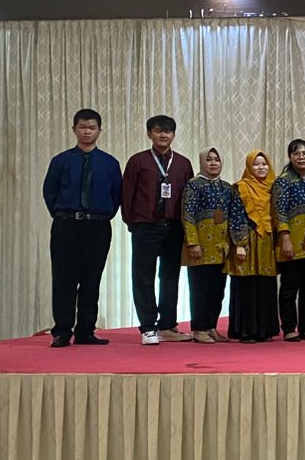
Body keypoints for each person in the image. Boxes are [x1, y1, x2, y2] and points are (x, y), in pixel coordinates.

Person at [41, 107, 122, 347]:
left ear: (99, 130)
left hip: (97, 227)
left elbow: (117, 195)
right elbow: (49, 192)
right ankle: (62, 331)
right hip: (66, 225)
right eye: (82, 127)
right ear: (74, 129)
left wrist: (102, 215)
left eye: (92, 128)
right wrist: (62, 215)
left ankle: (86, 330)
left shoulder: (109, 163)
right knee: (63, 279)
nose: (87, 132)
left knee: (91, 279)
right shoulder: (61, 161)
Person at [120, 115, 194, 345]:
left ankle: (168, 325)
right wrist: (132, 222)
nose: (163, 135)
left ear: (173, 135)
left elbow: (189, 198)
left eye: (167, 131)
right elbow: (127, 194)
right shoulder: (138, 161)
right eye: (158, 130)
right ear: (149, 134)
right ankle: (148, 327)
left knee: (170, 277)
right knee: (143, 276)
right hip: (145, 226)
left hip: (174, 227)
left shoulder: (182, 163)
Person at [273, 138, 305, 341]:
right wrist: (285, 238)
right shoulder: (283, 181)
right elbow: (279, 212)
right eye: (296, 153)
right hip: (291, 242)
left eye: (304, 153)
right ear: (290, 157)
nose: (301, 157)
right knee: (289, 287)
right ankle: (289, 327)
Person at [226, 150, 280, 343]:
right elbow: (236, 216)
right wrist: (239, 244)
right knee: (246, 284)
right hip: (247, 240)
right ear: (249, 167)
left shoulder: (274, 187)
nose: (261, 167)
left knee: (265, 284)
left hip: (267, 241)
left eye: (264, 164)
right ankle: (246, 330)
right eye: (256, 164)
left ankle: (265, 330)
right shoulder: (241, 187)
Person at [181, 148, 233, 344]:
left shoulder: (227, 188)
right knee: (200, 289)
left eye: (216, 160)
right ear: (202, 162)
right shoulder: (193, 185)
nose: (213, 163)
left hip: (221, 246)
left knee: (217, 290)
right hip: (200, 246)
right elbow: (188, 215)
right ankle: (199, 329)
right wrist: (192, 242)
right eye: (209, 159)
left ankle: (211, 327)